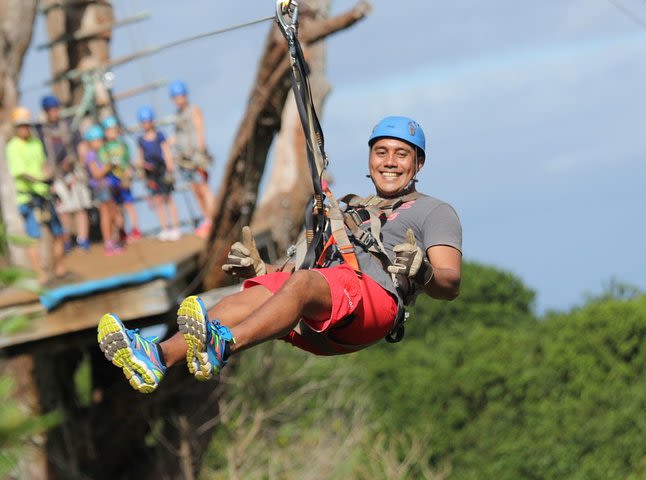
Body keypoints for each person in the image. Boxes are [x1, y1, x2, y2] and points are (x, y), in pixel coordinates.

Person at [97, 116, 462, 394]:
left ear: (419, 164)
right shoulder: (349, 209)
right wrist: (261, 269)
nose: (390, 162)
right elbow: (305, 276)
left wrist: (423, 270)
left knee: (301, 285)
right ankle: (158, 357)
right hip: (325, 308)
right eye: (381, 152)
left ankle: (222, 344)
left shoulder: (432, 211)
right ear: (370, 160)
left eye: (402, 154)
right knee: (254, 293)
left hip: (374, 305)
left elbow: (450, 284)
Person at [6, 107, 67, 285]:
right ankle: (40, 275)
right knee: (33, 237)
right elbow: (20, 172)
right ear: (16, 128)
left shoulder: (36, 142)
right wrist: (42, 179)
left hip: (44, 194)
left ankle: (60, 270)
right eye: (21, 126)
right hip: (28, 197)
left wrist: (49, 178)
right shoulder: (13, 147)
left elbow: (42, 164)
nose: (24, 129)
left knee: (57, 231)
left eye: (26, 125)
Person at [38, 95, 91, 253]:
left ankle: (83, 239)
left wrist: (80, 165)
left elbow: (81, 146)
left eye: (55, 108)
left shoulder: (69, 125)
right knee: (63, 210)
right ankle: (67, 239)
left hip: (73, 172)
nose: (54, 112)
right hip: (57, 176)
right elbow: (42, 155)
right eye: (50, 109)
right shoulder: (42, 131)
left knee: (80, 207)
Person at [168, 80, 216, 238]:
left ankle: (213, 218)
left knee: (204, 188)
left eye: (179, 96)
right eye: (175, 97)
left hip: (196, 157)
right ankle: (207, 219)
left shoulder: (193, 110)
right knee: (195, 189)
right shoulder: (177, 115)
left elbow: (199, 130)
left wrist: (201, 153)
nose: (178, 99)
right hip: (184, 160)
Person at [135, 106, 181, 242]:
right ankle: (165, 228)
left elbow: (166, 152)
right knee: (158, 200)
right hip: (150, 173)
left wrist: (170, 169)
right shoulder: (140, 141)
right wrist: (142, 166)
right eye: (143, 121)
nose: (146, 124)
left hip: (162, 169)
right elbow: (140, 157)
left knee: (168, 198)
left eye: (147, 121)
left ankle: (176, 227)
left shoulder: (160, 136)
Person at [99, 116, 142, 242]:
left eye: (114, 129)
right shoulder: (104, 148)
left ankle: (135, 229)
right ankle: (121, 231)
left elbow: (128, 161)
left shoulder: (123, 145)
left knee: (129, 204)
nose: (112, 132)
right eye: (109, 130)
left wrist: (128, 173)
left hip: (123, 178)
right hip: (112, 180)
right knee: (116, 207)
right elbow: (103, 163)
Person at [84, 125, 125, 256]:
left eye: (101, 140)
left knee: (114, 213)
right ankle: (108, 241)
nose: (100, 143)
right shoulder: (90, 155)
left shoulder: (104, 152)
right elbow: (96, 174)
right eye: (97, 140)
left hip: (110, 186)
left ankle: (115, 239)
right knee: (106, 213)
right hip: (100, 187)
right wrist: (109, 166)